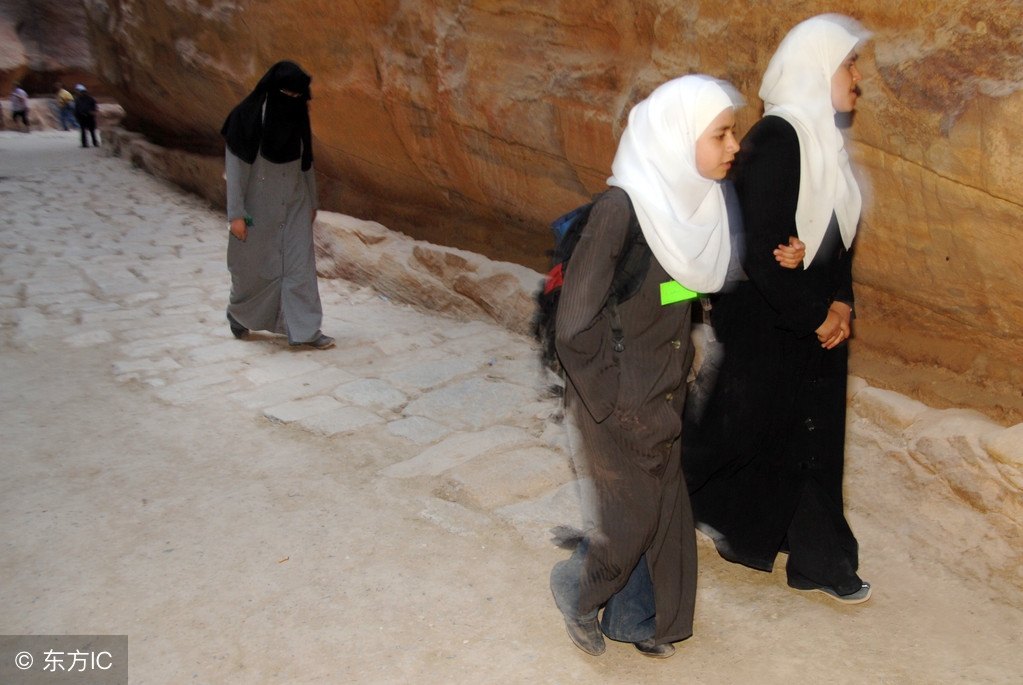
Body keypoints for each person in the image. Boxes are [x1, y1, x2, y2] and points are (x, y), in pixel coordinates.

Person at [548, 74, 745, 659]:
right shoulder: (622, 209)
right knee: (632, 517)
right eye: (722, 134)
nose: (734, 145)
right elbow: (573, 322)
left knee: (663, 513)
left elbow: (671, 296)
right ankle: (576, 594)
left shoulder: (698, 206)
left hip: (662, 392)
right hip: (613, 399)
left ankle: (635, 620)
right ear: (678, 139)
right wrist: (609, 398)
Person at [683, 14, 874, 604]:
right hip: (766, 320)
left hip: (810, 314)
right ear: (817, 69)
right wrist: (815, 315)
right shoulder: (776, 140)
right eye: (848, 63)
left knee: (809, 436)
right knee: (736, 432)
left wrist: (840, 300)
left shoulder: (828, 145)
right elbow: (761, 249)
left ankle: (821, 558)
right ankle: (644, 514)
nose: (857, 78)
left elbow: (839, 235)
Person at [220, 60, 334, 349]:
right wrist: (236, 215)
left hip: (295, 204)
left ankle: (305, 329)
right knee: (254, 269)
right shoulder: (246, 118)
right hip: (257, 207)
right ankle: (240, 314)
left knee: (299, 267)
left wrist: (312, 202)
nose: (293, 102)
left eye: (298, 97)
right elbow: (235, 171)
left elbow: (307, 163)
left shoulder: (297, 117)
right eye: (288, 95)